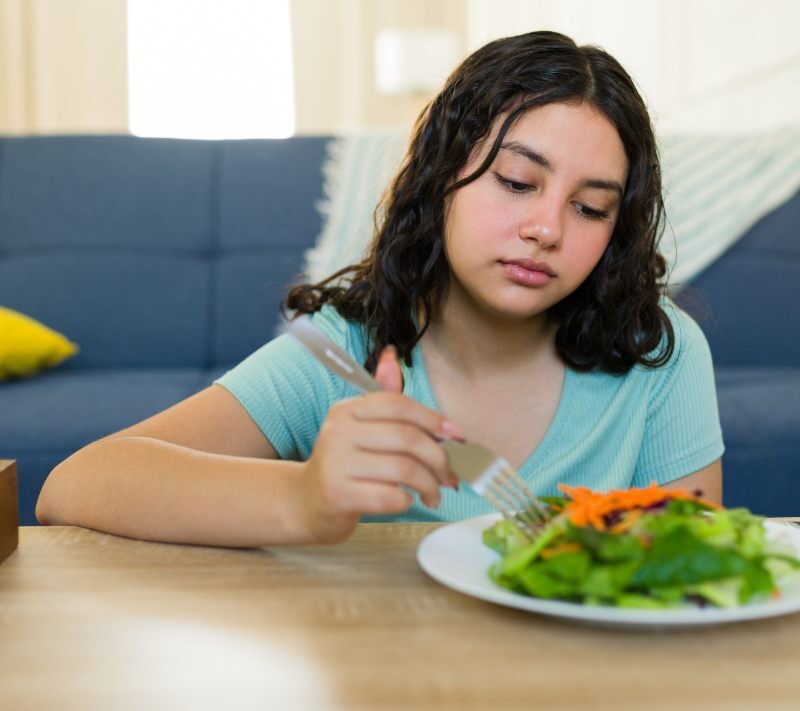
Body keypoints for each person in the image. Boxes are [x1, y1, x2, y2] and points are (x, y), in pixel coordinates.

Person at [36, 30, 724, 547]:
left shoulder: (659, 355)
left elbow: (690, 573)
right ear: (440, 177)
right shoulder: (343, 353)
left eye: (591, 207)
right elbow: (77, 484)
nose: (547, 228)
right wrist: (303, 497)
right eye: (517, 182)